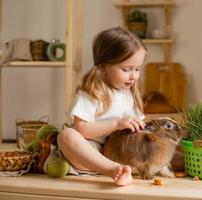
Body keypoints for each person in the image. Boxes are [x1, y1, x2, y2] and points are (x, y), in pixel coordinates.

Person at [57, 27, 147, 186]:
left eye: (137, 69)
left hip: (118, 149)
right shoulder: (91, 91)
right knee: (66, 136)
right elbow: (82, 129)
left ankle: (125, 167)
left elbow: (137, 126)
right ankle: (113, 170)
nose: (133, 75)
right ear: (103, 68)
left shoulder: (129, 92)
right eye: (126, 69)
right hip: (90, 149)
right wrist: (117, 124)